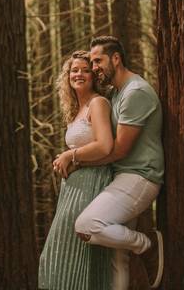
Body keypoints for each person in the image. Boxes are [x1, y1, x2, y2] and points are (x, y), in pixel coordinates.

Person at [61, 36, 164, 290]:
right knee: (118, 259)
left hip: (140, 176)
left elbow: (118, 150)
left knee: (87, 225)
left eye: (98, 61)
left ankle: (147, 244)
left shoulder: (135, 92)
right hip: (122, 177)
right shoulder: (118, 93)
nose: (94, 67)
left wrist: (74, 157)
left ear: (116, 59)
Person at [39, 51, 115, 290]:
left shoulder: (98, 103)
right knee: (61, 253)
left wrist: (70, 155)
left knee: (74, 254)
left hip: (92, 184)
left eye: (84, 70)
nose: (79, 74)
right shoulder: (75, 109)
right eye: (74, 70)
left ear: (93, 76)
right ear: (67, 76)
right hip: (72, 188)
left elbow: (105, 145)